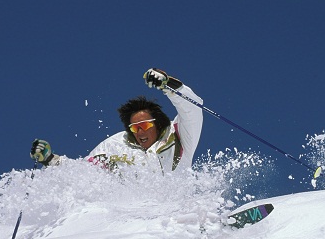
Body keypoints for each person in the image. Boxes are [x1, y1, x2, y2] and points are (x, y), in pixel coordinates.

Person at [30, 68, 203, 174]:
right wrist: (50, 160)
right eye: (135, 128)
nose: (140, 132)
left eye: (144, 125)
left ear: (157, 123)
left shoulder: (179, 137)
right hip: (136, 218)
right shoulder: (116, 144)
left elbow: (193, 110)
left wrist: (169, 85)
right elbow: (83, 173)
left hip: (178, 210)